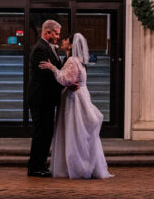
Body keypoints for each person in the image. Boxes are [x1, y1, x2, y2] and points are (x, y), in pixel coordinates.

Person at [39, 33, 113, 179]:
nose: (63, 41)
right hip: (81, 96)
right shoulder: (78, 60)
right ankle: (80, 163)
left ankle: (75, 166)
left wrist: (53, 68)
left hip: (74, 100)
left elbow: (66, 79)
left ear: (71, 44)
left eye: (66, 39)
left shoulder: (72, 60)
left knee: (74, 132)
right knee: (79, 133)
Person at [26, 19, 69, 177]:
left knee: (46, 132)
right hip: (40, 98)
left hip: (47, 99)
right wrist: (65, 84)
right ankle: (35, 167)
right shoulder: (40, 49)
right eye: (56, 34)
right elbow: (46, 75)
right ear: (47, 32)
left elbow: (56, 70)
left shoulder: (50, 48)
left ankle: (41, 164)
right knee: (41, 133)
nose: (58, 37)